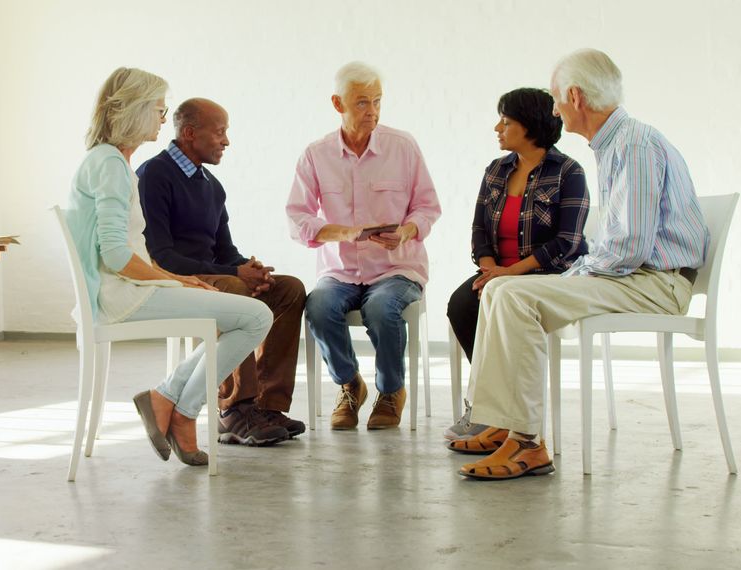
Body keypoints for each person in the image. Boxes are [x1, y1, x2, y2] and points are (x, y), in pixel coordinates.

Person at [455, 49, 710, 480]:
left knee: (514, 296)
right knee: (501, 289)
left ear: (574, 96)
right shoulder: (615, 145)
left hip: (654, 283)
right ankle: (504, 425)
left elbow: (627, 247)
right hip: (634, 276)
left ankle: (527, 443)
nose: (553, 109)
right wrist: (579, 270)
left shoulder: (634, 144)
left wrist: (574, 273)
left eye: (555, 98)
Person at [63, 68, 273, 467]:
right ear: (135, 111)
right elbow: (116, 255)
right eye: (159, 111)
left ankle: (167, 400)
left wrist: (180, 282)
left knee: (245, 315)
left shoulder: (111, 162)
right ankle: (183, 408)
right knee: (256, 317)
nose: (163, 120)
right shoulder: (109, 164)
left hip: (122, 291)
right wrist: (177, 279)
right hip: (121, 296)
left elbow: (121, 251)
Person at [137, 98, 306, 446]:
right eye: (220, 132)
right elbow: (161, 256)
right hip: (175, 281)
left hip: (212, 275)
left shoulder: (211, 185)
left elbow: (224, 251)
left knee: (289, 289)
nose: (226, 141)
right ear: (189, 133)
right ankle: (234, 409)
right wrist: (234, 273)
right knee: (233, 287)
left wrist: (251, 270)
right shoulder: (154, 176)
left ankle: (267, 406)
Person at [286, 62, 442, 431]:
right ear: (337, 103)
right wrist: (343, 233)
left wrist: (406, 231)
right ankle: (349, 384)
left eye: (377, 102)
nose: (371, 111)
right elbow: (297, 218)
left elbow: (428, 206)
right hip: (340, 270)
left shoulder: (402, 146)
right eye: (361, 103)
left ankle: (390, 392)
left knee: (383, 308)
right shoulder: (316, 154)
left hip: (396, 268)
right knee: (319, 308)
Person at [444, 88, 590, 446]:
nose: (497, 128)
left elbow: (567, 242)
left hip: (545, 275)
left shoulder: (568, 172)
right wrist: (490, 268)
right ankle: (490, 410)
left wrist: (510, 273)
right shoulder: (496, 170)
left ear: (530, 127)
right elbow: (479, 230)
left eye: (506, 122)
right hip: (500, 273)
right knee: (461, 305)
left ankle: (491, 414)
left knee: (494, 299)